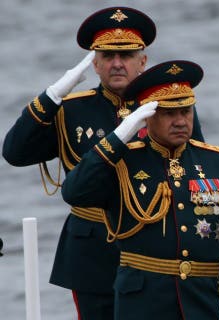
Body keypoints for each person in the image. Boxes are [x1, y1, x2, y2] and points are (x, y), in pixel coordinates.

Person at [2, 7, 200, 318]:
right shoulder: (71, 110)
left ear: (143, 61)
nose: (117, 63)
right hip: (93, 249)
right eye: (107, 55)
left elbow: (191, 172)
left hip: (153, 246)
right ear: (94, 63)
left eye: (127, 54)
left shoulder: (167, 109)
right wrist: (55, 93)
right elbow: (15, 152)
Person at [61, 60, 219, 320]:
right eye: (168, 113)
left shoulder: (218, 162)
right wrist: (118, 138)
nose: (180, 121)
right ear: (147, 117)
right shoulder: (123, 161)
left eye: (186, 111)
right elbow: (74, 192)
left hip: (205, 302)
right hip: (144, 304)